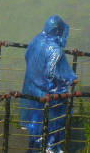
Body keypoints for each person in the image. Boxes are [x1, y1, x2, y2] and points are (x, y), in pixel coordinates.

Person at [20, 15, 78, 153]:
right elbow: (51, 73)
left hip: (33, 89)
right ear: (58, 31)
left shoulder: (37, 40)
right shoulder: (55, 50)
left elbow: (27, 56)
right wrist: (69, 80)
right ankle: (50, 148)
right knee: (54, 121)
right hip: (48, 92)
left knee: (37, 119)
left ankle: (35, 146)